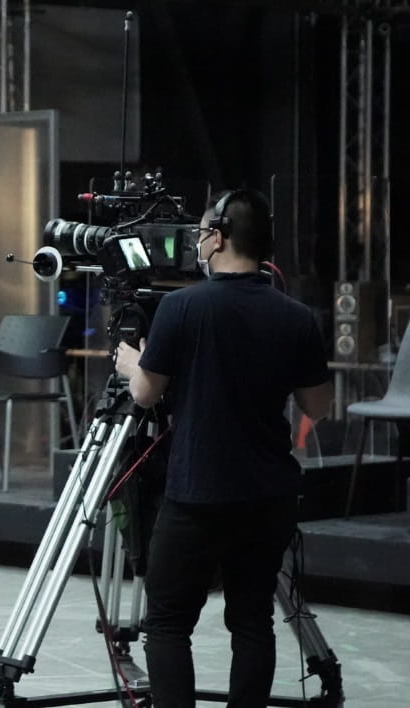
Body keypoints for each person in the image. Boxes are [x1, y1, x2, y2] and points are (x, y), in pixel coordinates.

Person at [113, 188, 332, 707]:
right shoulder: (296, 317)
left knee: (168, 622)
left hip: (197, 493)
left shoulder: (180, 307)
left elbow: (146, 393)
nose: (199, 240)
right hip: (268, 495)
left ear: (219, 237)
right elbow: (317, 405)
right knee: (252, 621)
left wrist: (132, 366)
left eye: (203, 230)